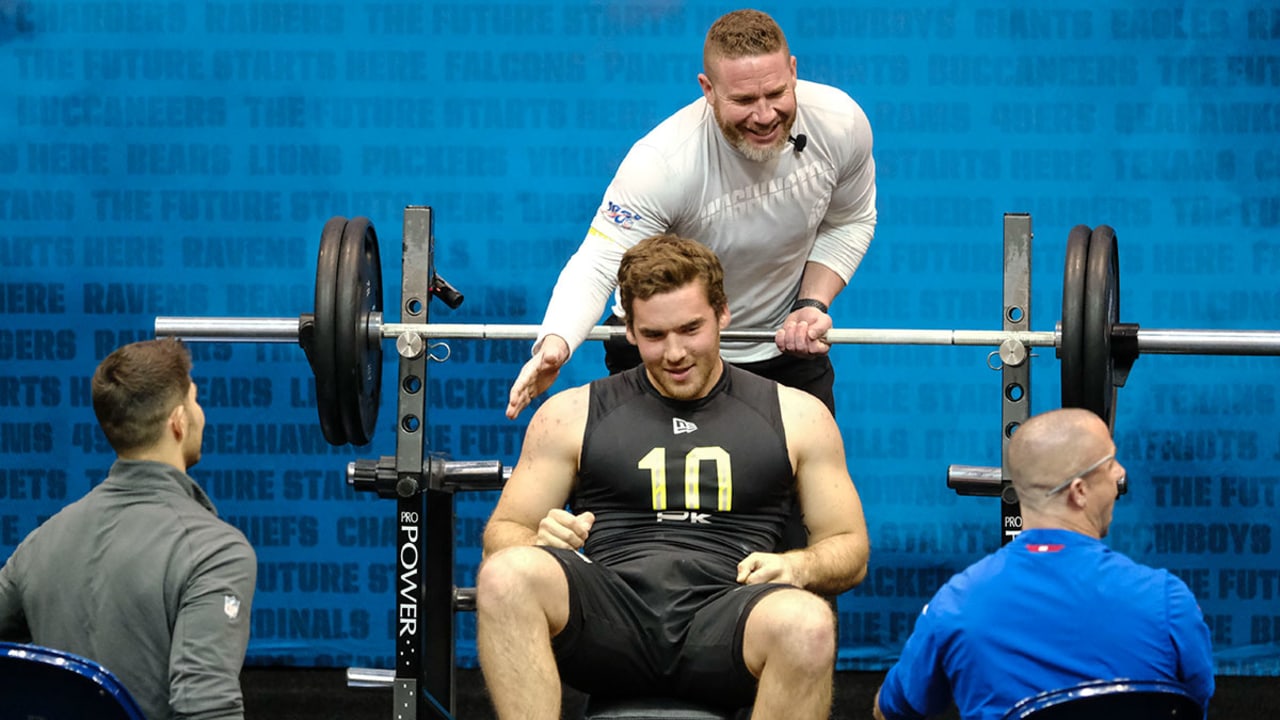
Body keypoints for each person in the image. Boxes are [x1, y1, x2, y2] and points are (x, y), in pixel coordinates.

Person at [476, 235, 870, 719]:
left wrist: (797, 569)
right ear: (629, 330)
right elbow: (502, 533)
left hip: (730, 623)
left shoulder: (797, 415)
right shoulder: (571, 414)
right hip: (608, 622)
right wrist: (536, 539)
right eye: (655, 335)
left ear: (723, 313)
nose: (675, 353)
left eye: (691, 329)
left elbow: (850, 547)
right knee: (507, 574)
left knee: (808, 620)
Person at [506, 8, 877, 420]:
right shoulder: (663, 162)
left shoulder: (840, 123)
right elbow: (599, 263)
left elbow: (850, 220)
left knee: (805, 482)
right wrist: (556, 343)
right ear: (708, 89)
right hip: (666, 355)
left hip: (781, 348)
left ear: (793, 71)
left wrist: (812, 304)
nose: (765, 115)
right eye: (744, 100)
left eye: (776, 93)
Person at [873, 408, 1215, 720]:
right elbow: (1194, 703)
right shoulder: (1168, 600)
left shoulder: (955, 606)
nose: (1120, 473)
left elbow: (892, 712)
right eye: (1111, 463)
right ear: (1079, 491)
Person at [0, 338, 257, 720]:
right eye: (194, 401)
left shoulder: (40, 543)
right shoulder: (214, 552)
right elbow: (205, 709)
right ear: (179, 421)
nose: (200, 414)